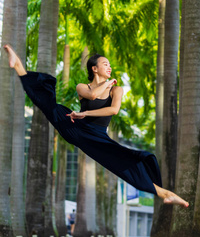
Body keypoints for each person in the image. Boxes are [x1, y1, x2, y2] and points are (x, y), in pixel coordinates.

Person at [3, 44, 189, 208]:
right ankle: (19, 66)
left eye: (109, 64)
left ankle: (165, 193)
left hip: (96, 137)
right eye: (105, 64)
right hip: (75, 127)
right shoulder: (82, 87)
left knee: (123, 161)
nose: (109, 67)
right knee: (48, 105)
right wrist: (103, 86)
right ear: (95, 68)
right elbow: (92, 96)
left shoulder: (117, 90)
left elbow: (113, 110)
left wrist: (86, 112)